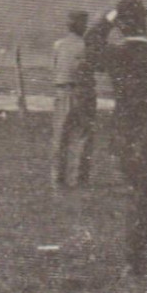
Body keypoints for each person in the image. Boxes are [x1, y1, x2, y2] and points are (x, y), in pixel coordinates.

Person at [88, 0, 147, 278]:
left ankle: (134, 258)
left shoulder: (116, 55)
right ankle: (135, 257)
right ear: (145, 22)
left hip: (123, 135)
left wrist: (109, 18)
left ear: (121, 26)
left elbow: (91, 41)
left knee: (137, 193)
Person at [50, 10, 97, 188]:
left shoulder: (58, 45)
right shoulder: (87, 45)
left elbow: (54, 68)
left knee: (60, 136)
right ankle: (79, 179)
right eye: (84, 23)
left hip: (63, 91)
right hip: (83, 93)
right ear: (80, 25)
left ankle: (57, 179)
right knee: (83, 136)